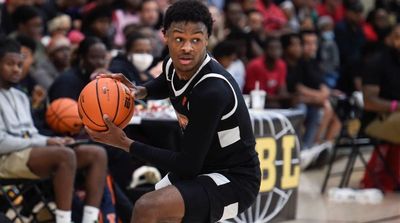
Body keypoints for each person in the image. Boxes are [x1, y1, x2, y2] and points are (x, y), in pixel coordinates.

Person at [86, 0, 261, 222]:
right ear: (165, 36)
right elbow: (165, 82)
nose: (187, 48)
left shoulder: (211, 90)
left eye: (196, 40)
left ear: (207, 39)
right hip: (203, 168)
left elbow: (187, 166)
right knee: (156, 210)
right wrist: (139, 91)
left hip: (234, 179)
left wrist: (124, 143)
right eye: (179, 39)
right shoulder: (172, 64)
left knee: (147, 208)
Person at [0, 37, 107, 223]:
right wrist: (45, 142)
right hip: (5, 160)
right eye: (10, 64)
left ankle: (89, 220)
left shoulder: (21, 96)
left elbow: (30, 133)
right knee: (64, 156)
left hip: (27, 153)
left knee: (96, 153)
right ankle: (63, 220)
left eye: (19, 64)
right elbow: (2, 143)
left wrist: (57, 139)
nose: (17, 69)